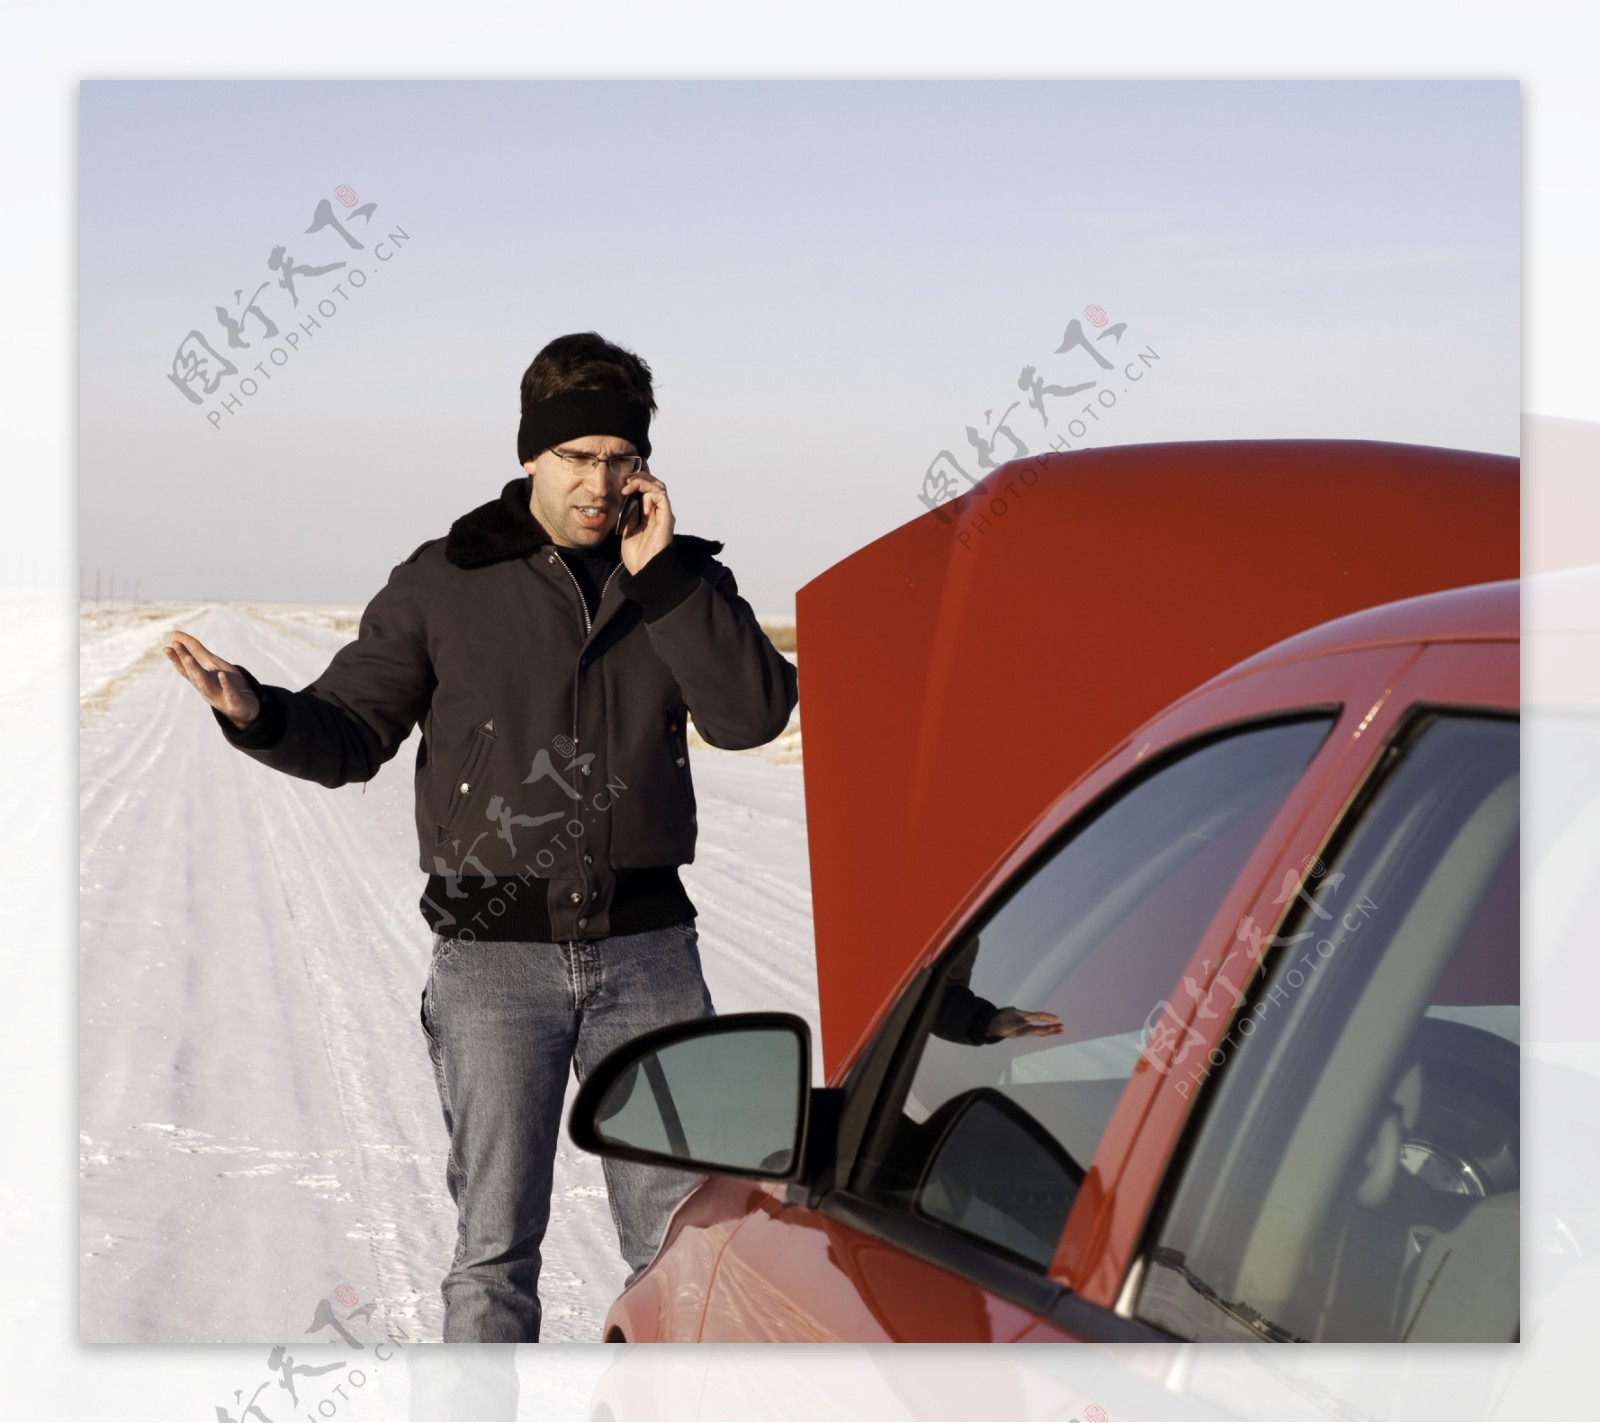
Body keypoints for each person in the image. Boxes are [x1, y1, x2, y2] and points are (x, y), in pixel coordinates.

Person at [164, 331, 799, 1342]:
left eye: (621, 457)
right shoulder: (443, 581)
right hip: (493, 961)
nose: (601, 481)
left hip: (649, 959)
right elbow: (352, 732)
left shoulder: (679, 580)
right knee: (494, 1251)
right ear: (530, 456)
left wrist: (666, 577)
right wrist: (257, 712)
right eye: (577, 457)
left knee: (688, 1244)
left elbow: (750, 716)